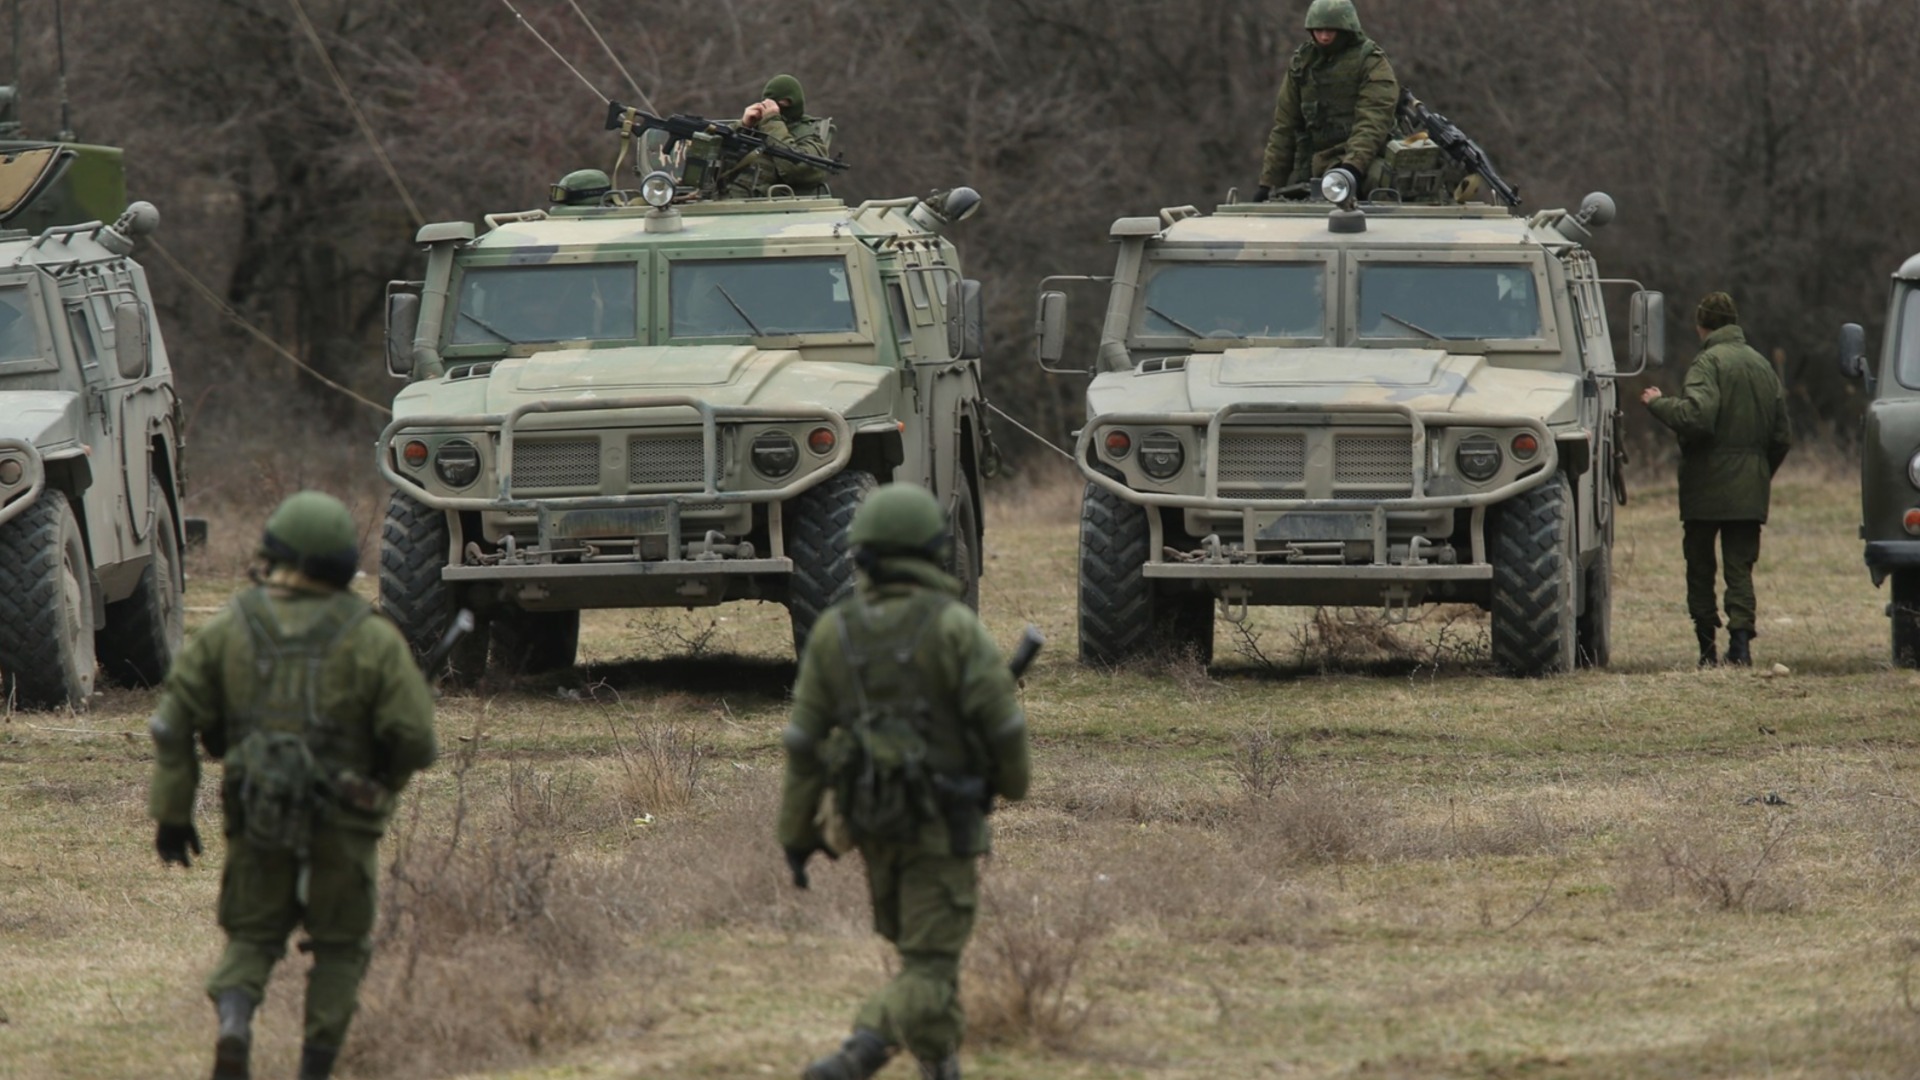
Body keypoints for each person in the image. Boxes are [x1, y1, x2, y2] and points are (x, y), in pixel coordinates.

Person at [149, 491, 438, 1080]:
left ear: (274, 551)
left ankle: (235, 1019)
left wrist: (174, 814)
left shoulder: (231, 628)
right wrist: (383, 781)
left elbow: (172, 723)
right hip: (346, 819)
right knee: (339, 948)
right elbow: (417, 740)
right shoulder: (373, 638)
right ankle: (316, 1065)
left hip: (259, 813)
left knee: (252, 937)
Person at [779, 484, 1030, 1080]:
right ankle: (857, 1053)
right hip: (944, 825)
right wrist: (1009, 784)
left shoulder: (836, 632)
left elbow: (804, 745)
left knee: (923, 959)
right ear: (934, 551)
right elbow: (1003, 727)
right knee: (930, 967)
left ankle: (940, 1066)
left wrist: (796, 835)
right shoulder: (953, 628)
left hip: (872, 822)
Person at [1641, 292, 1792, 667]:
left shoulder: (1707, 362)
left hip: (1705, 486)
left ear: (1702, 325)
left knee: (1700, 566)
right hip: (1749, 488)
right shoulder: (1761, 365)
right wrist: (1758, 472)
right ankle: (1740, 646)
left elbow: (1697, 417)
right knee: (1740, 567)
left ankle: (1707, 650)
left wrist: (1658, 403)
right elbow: (1782, 437)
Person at [1254, 0, 1399, 202]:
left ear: (1347, 28)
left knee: (1380, 182)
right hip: (1316, 162)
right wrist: (1268, 182)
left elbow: (1373, 120)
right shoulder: (1302, 63)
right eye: (1318, 29)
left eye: (1331, 30)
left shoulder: (1370, 61)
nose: (1324, 36)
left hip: (1364, 157)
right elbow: (1284, 127)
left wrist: (1352, 167)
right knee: (1287, 200)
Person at [727, 73, 836, 198]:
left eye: (780, 104)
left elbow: (796, 168)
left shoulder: (810, 136)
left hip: (779, 210)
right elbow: (713, 156)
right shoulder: (755, 130)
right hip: (732, 205)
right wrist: (742, 126)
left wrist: (772, 122)